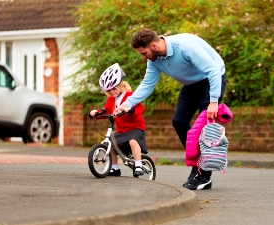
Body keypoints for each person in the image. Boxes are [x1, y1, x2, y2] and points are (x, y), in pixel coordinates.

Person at [114, 29, 227, 190]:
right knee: (179, 121)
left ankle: (204, 175)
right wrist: (128, 104)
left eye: (144, 53)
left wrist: (213, 101)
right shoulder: (154, 60)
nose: (143, 57)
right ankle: (197, 166)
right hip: (191, 85)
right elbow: (147, 84)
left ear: (154, 46)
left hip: (211, 79)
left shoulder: (187, 46)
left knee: (205, 128)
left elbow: (213, 70)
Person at [89, 63, 147, 177]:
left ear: (121, 85)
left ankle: (138, 164)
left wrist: (131, 110)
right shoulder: (111, 100)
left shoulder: (130, 96)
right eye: (109, 91)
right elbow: (106, 111)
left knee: (133, 141)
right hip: (122, 130)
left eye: (114, 89)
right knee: (110, 144)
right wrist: (96, 113)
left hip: (135, 128)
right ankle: (114, 168)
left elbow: (140, 108)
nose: (112, 92)